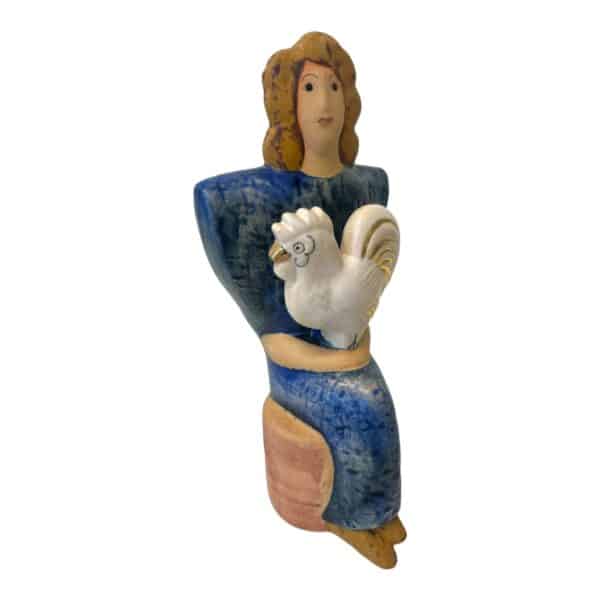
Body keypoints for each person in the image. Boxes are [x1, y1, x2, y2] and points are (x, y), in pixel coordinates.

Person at [195, 31, 405, 568]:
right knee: (361, 404)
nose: (324, 101)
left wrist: (355, 347)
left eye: (334, 86)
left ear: (349, 100)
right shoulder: (240, 199)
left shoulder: (366, 187)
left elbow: (360, 304)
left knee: (375, 396)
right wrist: (341, 360)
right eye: (310, 87)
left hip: (347, 344)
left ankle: (379, 509)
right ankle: (349, 517)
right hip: (295, 363)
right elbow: (272, 335)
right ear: (287, 103)